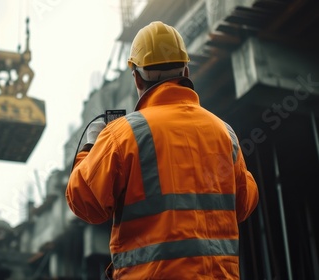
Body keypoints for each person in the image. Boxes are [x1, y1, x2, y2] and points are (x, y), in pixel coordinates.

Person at [65, 21, 259, 279]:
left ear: (136, 76)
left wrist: (90, 146)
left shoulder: (122, 135)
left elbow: (85, 204)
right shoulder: (225, 133)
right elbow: (244, 205)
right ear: (186, 71)